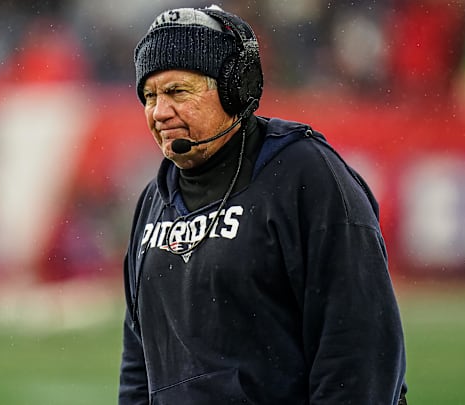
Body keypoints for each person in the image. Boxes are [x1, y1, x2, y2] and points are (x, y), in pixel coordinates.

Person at [119, 6, 407, 404]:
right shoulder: (154, 201)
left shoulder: (304, 175)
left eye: (177, 92)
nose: (159, 112)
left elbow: (360, 343)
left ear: (235, 87)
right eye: (149, 96)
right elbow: (138, 366)